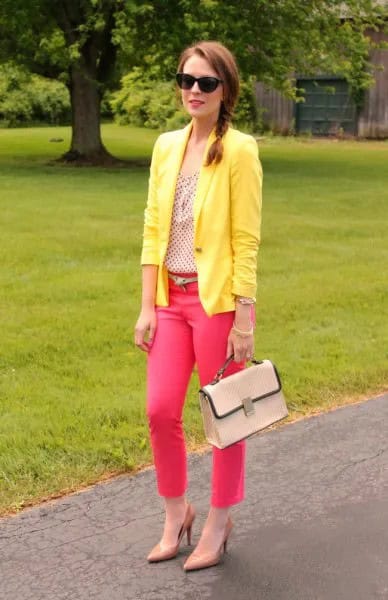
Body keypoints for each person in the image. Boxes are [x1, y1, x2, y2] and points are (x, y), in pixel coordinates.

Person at [134, 40, 262, 571]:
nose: (193, 90)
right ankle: (175, 513)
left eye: (206, 83)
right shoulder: (166, 145)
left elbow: (246, 240)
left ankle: (218, 519)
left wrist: (245, 317)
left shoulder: (239, 149)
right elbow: (151, 227)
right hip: (169, 300)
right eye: (186, 79)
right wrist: (146, 304)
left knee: (224, 416)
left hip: (215, 305)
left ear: (224, 89)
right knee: (161, 410)